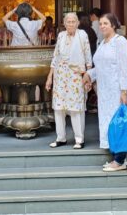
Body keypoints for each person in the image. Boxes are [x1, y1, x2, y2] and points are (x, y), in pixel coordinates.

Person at [83, 13, 127, 172]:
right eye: (100, 24)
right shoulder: (102, 43)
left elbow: (123, 67)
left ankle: (120, 160)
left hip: (117, 89)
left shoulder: (119, 42)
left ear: (113, 25)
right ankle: (116, 157)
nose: (102, 26)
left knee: (119, 122)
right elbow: (100, 67)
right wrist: (89, 75)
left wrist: (124, 91)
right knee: (109, 122)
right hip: (105, 91)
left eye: (106, 23)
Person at [45, 13, 92, 149]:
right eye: (68, 22)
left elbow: (88, 56)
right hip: (60, 76)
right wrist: (49, 77)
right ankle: (61, 138)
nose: (71, 24)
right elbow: (55, 57)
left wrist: (88, 75)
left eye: (73, 21)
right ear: (64, 24)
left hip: (76, 75)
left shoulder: (82, 35)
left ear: (77, 23)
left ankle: (79, 139)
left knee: (76, 108)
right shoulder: (61, 35)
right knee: (59, 108)